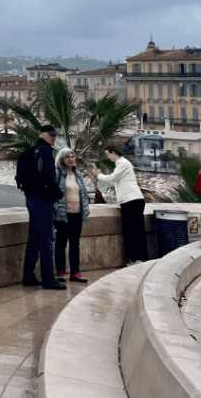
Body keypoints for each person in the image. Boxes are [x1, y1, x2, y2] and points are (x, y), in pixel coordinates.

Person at [18, 124, 66, 289]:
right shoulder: (45, 152)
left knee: (34, 239)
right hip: (43, 200)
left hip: (31, 199)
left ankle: (28, 276)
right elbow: (47, 177)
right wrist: (59, 194)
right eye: (51, 135)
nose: (53, 138)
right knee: (46, 240)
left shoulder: (29, 152)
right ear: (43, 134)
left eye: (54, 135)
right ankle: (48, 279)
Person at [97, 143, 148, 265]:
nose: (108, 158)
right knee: (133, 230)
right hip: (130, 201)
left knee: (134, 231)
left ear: (113, 152)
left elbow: (112, 178)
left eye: (108, 155)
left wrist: (98, 175)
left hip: (132, 201)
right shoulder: (121, 165)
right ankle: (137, 258)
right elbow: (112, 182)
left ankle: (138, 258)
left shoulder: (123, 164)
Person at [53, 148, 90, 283]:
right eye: (67, 157)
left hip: (77, 214)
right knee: (61, 243)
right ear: (62, 159)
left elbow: (84, 194)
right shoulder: (58, 174)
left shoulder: (78, 175)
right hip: (63, 215)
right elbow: (54, 193)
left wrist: (86, 209)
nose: (70, 159)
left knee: (75, 244)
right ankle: (61, 272)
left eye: (72, 156)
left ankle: (75, 272)